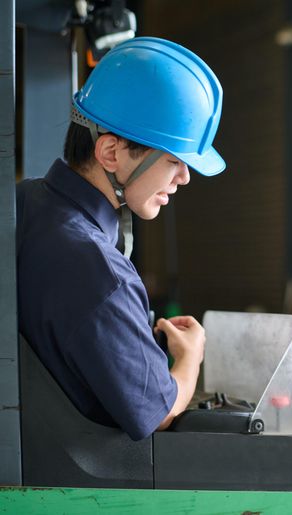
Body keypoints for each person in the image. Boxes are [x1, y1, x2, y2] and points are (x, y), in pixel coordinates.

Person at [16, 37, 225, 441]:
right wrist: (190, 358)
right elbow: (159, 412)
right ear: (111, 153)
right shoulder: (100, 274)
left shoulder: (25, 202)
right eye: (174, 160)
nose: (184, 177)